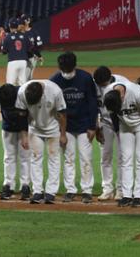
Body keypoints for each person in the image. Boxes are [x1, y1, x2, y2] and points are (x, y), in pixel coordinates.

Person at [50, 52, 98, 204]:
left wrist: (92, 126)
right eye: (64, 69)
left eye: (69, 69)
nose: (67, 72)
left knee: (86, 158)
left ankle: (87, 190)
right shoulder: (55, 80)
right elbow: (53, 108)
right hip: (66, 126)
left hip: (84, 125)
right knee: (68, 158)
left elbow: (92, 103)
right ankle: (70, 189)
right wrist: (60, 131)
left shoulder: (85, 78)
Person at [103, 81, 140, 208]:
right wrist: (117, 131)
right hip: (124, 127)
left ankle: (138, 195)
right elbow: (113, 116)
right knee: (126, 159)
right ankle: (127, 195)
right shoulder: (109, 96)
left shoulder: (137, 92)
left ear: (122, 96)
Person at [15, 80, 67, 204]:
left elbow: (62, 114)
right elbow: (21, 115)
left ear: (42, 93)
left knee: (54, 159)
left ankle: (51, 192)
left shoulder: (55, 91)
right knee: (35, 158)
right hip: (34, 129)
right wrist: (23, 135)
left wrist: (63, 134)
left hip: (53, 129)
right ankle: (37, 191)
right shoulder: (22, 92)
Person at [92, 66, 128, 201]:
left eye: (102, 84)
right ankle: (107, 189)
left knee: (121, 157)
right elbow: (94, 106)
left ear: (109, 78)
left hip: (121, 123)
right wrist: (97, 127)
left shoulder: (122, 82)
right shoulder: (94, 84)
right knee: (105, 156)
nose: (100, 86)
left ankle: (120, 189)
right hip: (105, 124)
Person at [0, 84, 31, 200]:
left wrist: (24, 135)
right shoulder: (1, 95)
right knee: (9, 157)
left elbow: (25, 116)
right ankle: (8, 185)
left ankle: (25, 185)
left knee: (25, 157)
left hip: (25, 129)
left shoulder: (23, 95)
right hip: (8, 128)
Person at [2, 18, 32, 86]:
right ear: (17, 26)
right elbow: (29, 49)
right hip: (23, 61)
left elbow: (4, 52)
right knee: (22, 83)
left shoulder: (8, 37)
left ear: (10, 26)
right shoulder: (25, 36)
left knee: (10, 83)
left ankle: (10, 96)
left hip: (13, 62)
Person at [22, 14, 43, 80]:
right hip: (21, 57)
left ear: (28, 21)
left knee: (28, 77)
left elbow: (39, 45)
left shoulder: (34, 32)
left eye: (23, 20)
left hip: (32, 57)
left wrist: (37, 54)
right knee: (23, 77)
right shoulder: (19, 33)